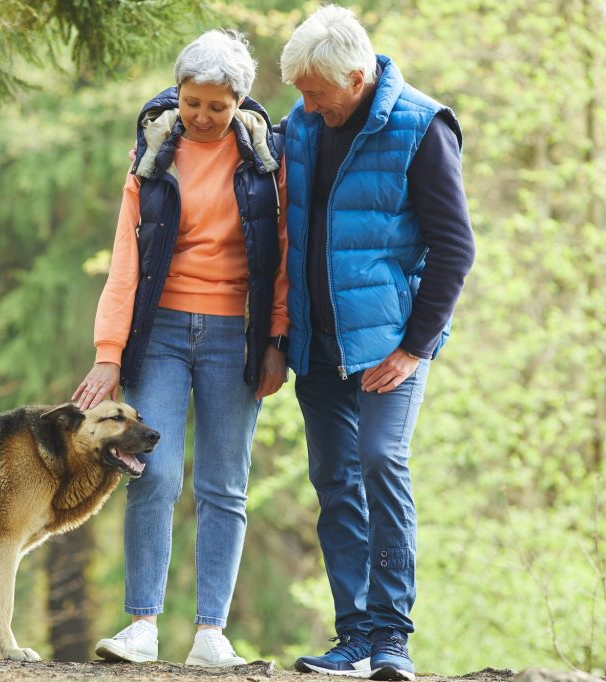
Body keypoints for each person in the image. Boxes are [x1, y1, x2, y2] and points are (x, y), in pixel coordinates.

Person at [71, 29, 290, 667]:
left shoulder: (263, 167)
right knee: (154, 471)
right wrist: (109, 351)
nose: (202, 117)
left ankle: (210, 635)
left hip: (233, 337)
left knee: (224, 484)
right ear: (179, 95)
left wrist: (275, 339)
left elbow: (278, 263)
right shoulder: (154, 158)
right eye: (192, 102)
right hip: (160, 332)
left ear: (239, 104)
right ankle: (141, 625)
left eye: (217, 107)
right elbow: (124, 263)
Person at [277, 6, 476, 681]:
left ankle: (393, 638)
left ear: (357, 77)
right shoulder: (304, 125)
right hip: (316, 347)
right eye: (299, 91)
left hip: (390, 346)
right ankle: (355, 636)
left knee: (380, 460)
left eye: (314, 91)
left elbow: (455, 248)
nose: (303, 104)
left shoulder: (422, 127)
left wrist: (414, 349)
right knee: (334, 482)